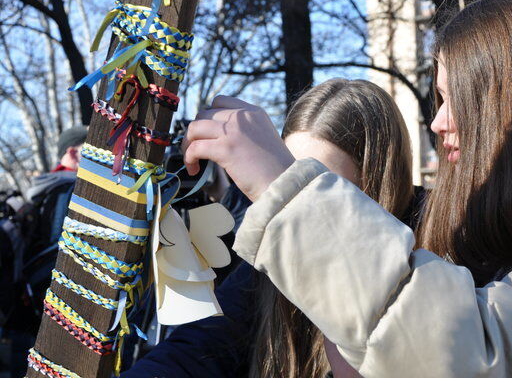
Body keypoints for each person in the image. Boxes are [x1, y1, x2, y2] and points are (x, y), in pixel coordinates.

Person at [181, 0, 512, 377]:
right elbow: (206, 342)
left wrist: (283, 190)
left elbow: (480, 353)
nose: (439, 122)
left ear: (511, 101)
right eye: (437, 100)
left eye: (454, 98)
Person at [125, 78, 419, 377]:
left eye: (324, 188)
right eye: (287, 180)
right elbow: (196, 349)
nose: (299, 203)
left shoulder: (426, 271)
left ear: (378, 186)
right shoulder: (266, 271)